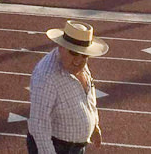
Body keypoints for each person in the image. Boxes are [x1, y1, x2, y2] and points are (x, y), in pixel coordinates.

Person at [28, 20, 109, 154]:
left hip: (74, 147)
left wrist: (94, 124)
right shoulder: (46, 77)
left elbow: (88, 95)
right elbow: (39, 125)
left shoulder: (79, 65)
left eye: (84, 54)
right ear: (61, 47)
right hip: (57, 147)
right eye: (73, 52)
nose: (78, 59)